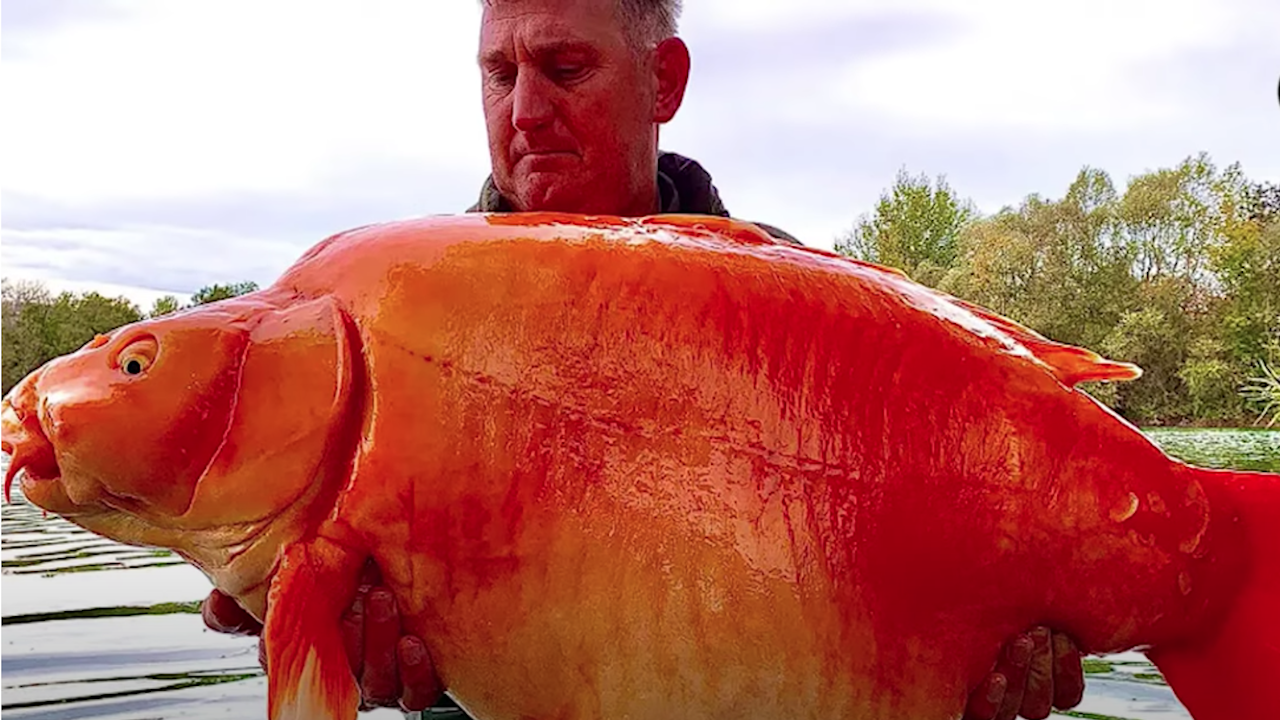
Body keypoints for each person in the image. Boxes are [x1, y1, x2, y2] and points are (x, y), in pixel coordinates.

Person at [203, 1, 1089, 719]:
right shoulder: (389, 317)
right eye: (499, 73)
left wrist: (979, 671)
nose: (525, 112)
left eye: (565, 68)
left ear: (663, 82)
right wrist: (303, 619)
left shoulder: (814, 314)